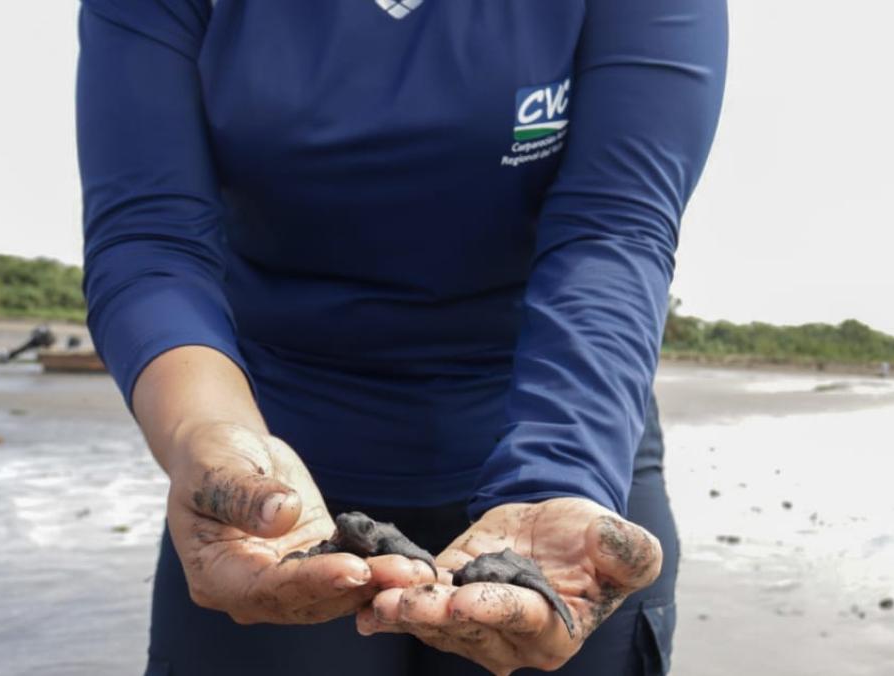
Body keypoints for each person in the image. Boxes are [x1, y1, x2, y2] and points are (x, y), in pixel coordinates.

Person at [76, 1, 726, 674]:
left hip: (568, 435)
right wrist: (206, 439)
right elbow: (150, 236)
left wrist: (560, 476)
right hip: (274, 461)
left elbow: (614, 228)